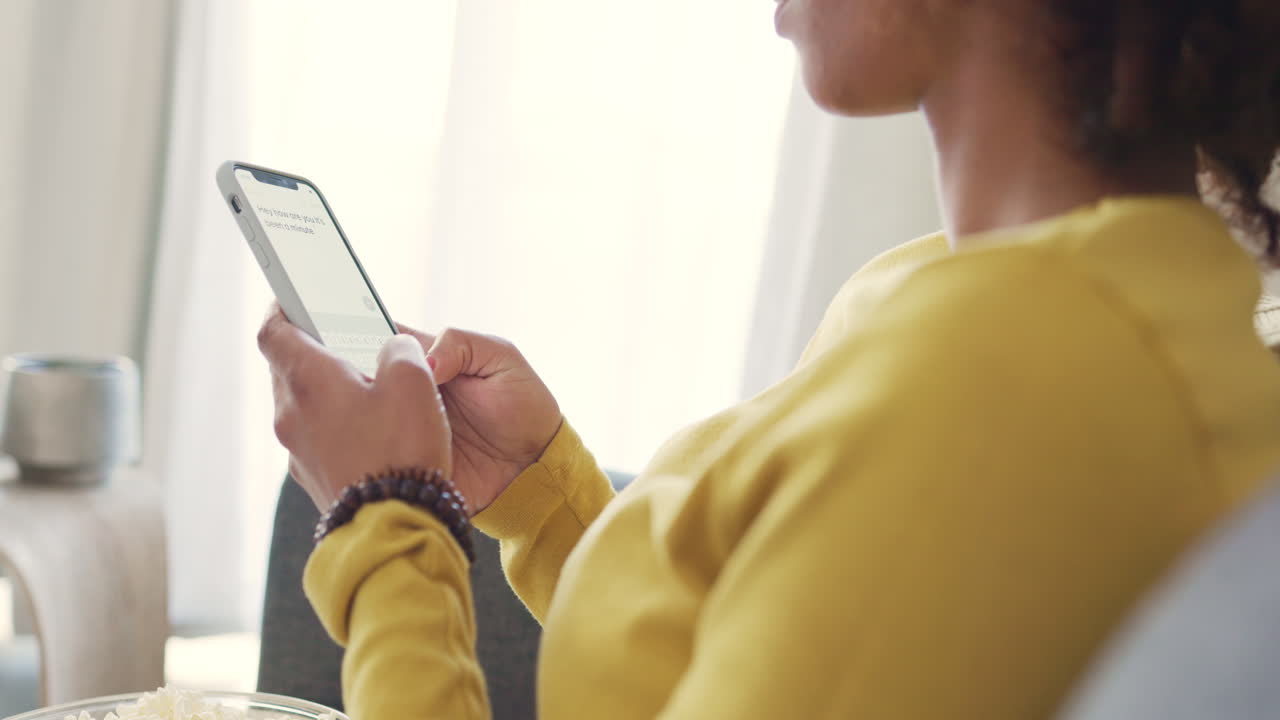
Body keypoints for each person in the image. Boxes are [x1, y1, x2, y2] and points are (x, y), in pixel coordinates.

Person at [256, 1, 1280, 718]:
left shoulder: (1011, 371)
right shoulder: (996, 294)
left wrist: (387, 520)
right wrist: (541, 496)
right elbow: (792, 648)